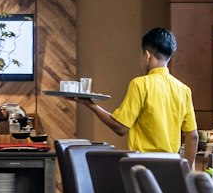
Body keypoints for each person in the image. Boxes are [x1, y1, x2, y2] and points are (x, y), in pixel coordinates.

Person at [82, 26, 198, 168]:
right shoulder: (183, 90)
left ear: (147, 55)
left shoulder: (140, 84)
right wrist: (188, 169)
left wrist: (91, 105)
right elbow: (192, 136)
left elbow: (120, 128)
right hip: (172, 166)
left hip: (142, 166)